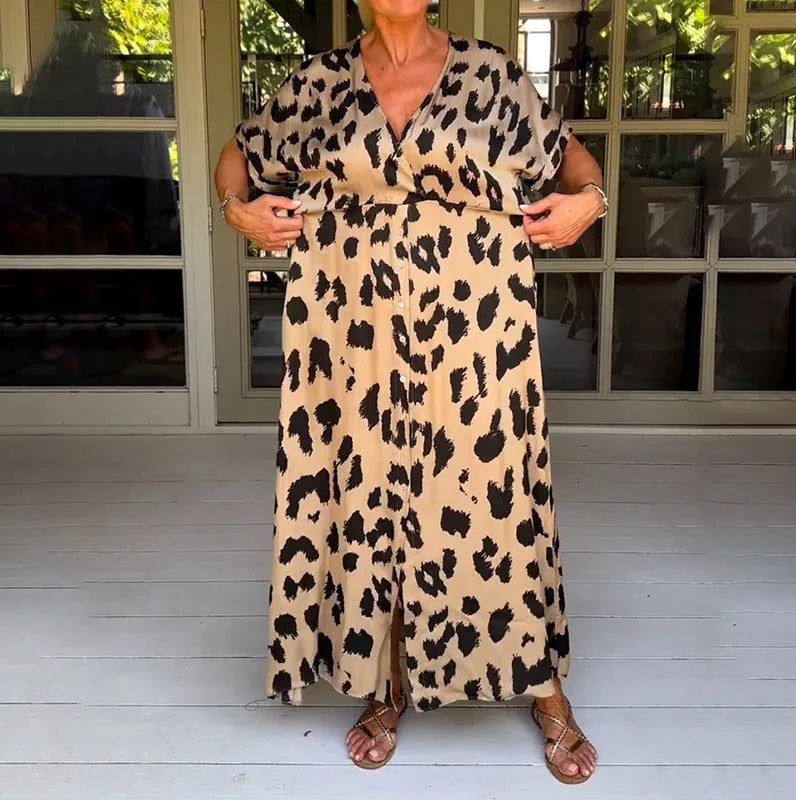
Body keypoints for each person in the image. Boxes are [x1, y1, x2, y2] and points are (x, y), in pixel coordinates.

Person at [214, 0, 604, 784]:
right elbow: (238, 155)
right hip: (351, 333)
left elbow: (573, 161)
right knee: (370, 495)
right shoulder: (320, 82)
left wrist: (587, 202)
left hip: (475, 334)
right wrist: (238, 211)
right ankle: (383, 677)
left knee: (492, 495)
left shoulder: (491, 73)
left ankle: (541, 684)